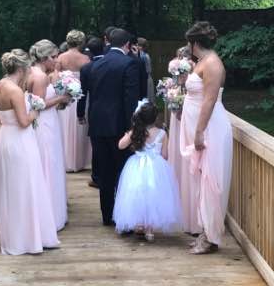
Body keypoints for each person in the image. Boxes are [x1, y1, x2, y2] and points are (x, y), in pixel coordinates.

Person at [0, 49, 60, 255]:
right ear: (22, 68)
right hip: (20, 142)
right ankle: (28, 239)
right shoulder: (15, 91)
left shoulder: (0, 85)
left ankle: (16, 235)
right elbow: (23, 122)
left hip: (5, 138)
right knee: (26, 185)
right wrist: (35, 111)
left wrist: (5, 123)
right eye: (28, 67)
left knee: (12, 187)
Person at [179, 21, 233, 254]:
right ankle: (204, 231)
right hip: (200, 126)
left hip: (210, 127)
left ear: (194, 43)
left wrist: (199, 132)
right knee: (202, 180)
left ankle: (210, 237)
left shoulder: (212, 64)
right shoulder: (202, 62)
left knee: (211, 182)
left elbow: (209, 100)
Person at [78, 27, 140, 226]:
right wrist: (133, 128)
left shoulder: (92, 66)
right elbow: (130, 100)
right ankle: (124, 214)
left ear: (108, 43)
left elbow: (90, 96)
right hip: (120, 126)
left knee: (105, 172)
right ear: (127, 45)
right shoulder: (129, 64)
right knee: (123, 171)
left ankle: (107, 215)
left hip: (98, 125)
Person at [113, 100, 184, 241]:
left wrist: (130, 132)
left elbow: (120, 145)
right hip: (156, 167)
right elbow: (165, 155)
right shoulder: (162, 133)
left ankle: (139, 224)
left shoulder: (136, 132)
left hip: (137, 166)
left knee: (137, 193)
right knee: (153, 195)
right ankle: (150, 230)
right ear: (155, 117)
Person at [27, 40, 70, 232]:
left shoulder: (31, 72)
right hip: (45, 124)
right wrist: (62, 97)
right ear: (44, 58)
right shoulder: (41, 77)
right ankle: (51, 214)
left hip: (46, 121)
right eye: (53, 57)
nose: (56, 60)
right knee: (49, 164)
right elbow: (40, 104)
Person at [166, 45, 199, 234]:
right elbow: (176, 86)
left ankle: (186, 199)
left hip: (187, 113)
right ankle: (178, 193)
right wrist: (173, 100)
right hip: (179, 113)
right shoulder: (179, 72)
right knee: (178, 151)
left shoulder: (195, 71)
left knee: (184, 152)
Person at [56, 29, 92, 173]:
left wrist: (61, 90)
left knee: (64, 128)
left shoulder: (60, 58)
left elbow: (56, 77)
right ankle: (78, 161)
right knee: (79, 129)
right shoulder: (85, 59)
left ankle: (64, 160)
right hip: (81, 98)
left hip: (65, 98)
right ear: (81, 42)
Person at [80, 36, 105, 188]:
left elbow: (83, 94)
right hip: (114, 110)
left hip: (95, 110)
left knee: (96, 145)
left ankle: (96, 177)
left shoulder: (87, 68)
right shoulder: (113, 64)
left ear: (89, 52)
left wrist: (80, 113)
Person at [136, 38, 155, 103]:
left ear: (141, 46)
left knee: (147, 97)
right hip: (147, 77)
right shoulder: (144, 55)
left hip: (146, 78)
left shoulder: (143, 56)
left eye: (137, 45)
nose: (136, 46)